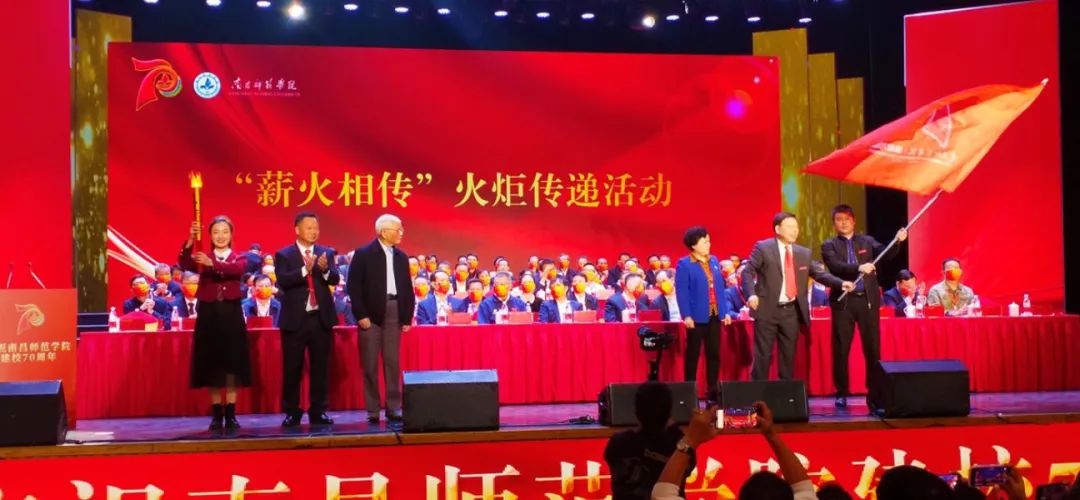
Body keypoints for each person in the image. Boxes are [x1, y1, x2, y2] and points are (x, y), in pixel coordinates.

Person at [742, 212, 852, 381]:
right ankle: (757, 393)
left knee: (788, 357)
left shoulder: (803, 253)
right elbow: (747, 272)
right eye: (790, 227)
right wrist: (751, 295)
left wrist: (840, 283)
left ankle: (785, 394)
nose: (795, 231)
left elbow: (819, 274)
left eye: (796, 227)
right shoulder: (763, 248)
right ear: (778, 229)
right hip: (767, 310)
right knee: (763, 356)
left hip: (791, 312)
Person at [820, 205, 907, 408]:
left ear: (854, 221)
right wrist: (859, 267)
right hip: (844, 302)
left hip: (867, 301)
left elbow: (886, 255)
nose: (843, 222)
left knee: (872, 348)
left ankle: (875, 391)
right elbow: (836, 266)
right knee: (841, 348)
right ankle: (841, 391)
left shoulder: (867, 241)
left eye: (847, 219)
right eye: (839, 219)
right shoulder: (829, 245)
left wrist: (897, 242)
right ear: (834, 223)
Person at [177, 217, 252, 430]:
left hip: (232, 315)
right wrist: (191, 239)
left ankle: (231, 413)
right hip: (209, 315)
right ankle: (217, 414)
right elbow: (185, 263)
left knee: (232, 364)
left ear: (231, 235)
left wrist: (213, 265)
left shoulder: (239, 258)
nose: (221, 236)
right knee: (212, 365)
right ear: (210, 235)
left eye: (225, 232)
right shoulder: (203, 258)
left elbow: (236, 270)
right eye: (216, 232)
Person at [346, 214, 415, 423]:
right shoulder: (364, 254)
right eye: (398, 229)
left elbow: (407, 288)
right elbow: (354, 287)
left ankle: (394, 407)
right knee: (370, 363)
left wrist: (407, 317)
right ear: (384, 232)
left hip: (394, 309)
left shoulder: (401, 256)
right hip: (370, 313)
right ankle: (373, 409)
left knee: (392, 361)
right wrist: (361, 315)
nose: (402, 233)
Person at [274, 212, 340, 427]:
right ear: (297, 230)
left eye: (316, 228)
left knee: (320, 367)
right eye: (309, 227)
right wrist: (305, 269)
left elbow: (334, 279)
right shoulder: (284, 255)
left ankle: (318, 410)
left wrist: (325, 269)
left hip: (320, 318)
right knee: (292, 367)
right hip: (295, 319)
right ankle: (292, 411)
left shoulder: (325, 253)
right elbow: (283, 281)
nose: (314, 231)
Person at [604, 382, 695, 500]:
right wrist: (673, 428)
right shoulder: (681, 447)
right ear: (670, 413)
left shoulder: (618, 443)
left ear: (636, 413)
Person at [674, 226, 732, 387]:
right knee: (693, 355)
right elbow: (682, 292)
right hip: (696, 316)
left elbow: (720, 289)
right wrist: (686, 315)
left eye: (709, 241)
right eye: (704, 241)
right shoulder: (685, 264)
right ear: (693, 245)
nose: (708, 244)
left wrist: (725, 311)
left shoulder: (714, 261)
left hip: (715, 314)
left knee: (714, 354)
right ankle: (689, 389)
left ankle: (712, 390)